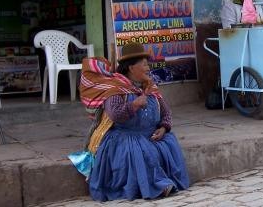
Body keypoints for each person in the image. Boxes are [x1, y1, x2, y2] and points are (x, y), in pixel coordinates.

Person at [70, 42, 189, 201]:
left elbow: (166, 112)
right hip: (125, 136)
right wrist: (134, 105)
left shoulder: (149, 86)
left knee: (168, 142)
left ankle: (163, 181)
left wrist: (164, 128)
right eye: (144, 64)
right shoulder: (115, 88)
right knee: (139, 150)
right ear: (132, 68)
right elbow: (115, 114)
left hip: (149, 134)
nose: (148, 68)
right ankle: (157, 186)